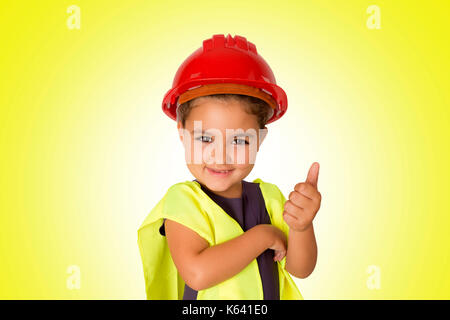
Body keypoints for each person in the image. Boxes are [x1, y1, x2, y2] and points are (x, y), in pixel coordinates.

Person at [137, 34, 322, 300]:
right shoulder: (184, 200)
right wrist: (263, 236)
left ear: (260, 139)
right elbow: (197, 273)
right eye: (204, 138)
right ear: (182, 133)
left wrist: (302, 227)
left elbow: (300, 269)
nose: (220, 156)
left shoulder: (269, 198)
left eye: (239, 140)